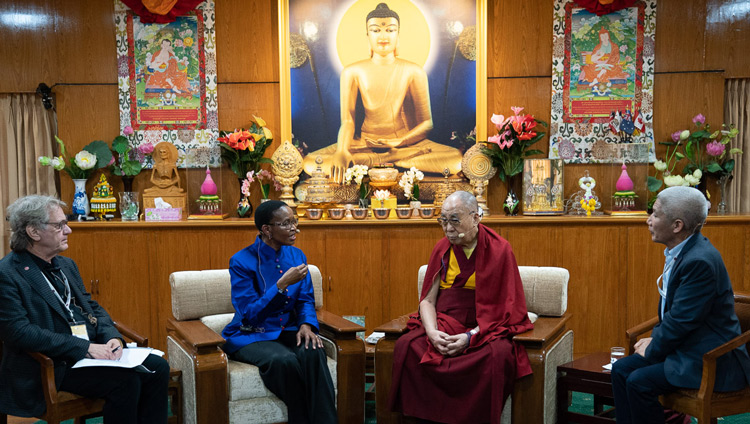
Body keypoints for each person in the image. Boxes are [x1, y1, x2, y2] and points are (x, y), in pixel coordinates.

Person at [0, 195, 169, 423]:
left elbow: (92, 307)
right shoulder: (8, 273)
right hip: (51, 364)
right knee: (125, 382)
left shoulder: (66, 265)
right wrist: (85, 347)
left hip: (89, 353)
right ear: (33, 232)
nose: (68, 230)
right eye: (59, 225)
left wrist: (112, 337)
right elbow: (18, 332)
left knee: (158, 368)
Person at [389, 191, 534, 423]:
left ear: (476, 218)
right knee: (406, 345)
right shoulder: (442, 249)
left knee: (497, 356)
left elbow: (506, 309)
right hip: (446, 319)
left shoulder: (500, 250)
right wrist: (432, 332)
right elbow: (427, 300)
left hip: (484, 325)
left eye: (455, 220)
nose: (448, 228)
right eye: (443, 221)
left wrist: (470, 336)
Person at [612, 186, 750, 424]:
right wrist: (656, 339)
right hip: (687, 346)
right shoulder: (684, 250)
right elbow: (677, 315)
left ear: (677, 226)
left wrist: (655, 344)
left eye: (655, 214)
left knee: (639, 382)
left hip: (709, 359)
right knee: (621, 370)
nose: (648, 220)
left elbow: (682, 320)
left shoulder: (700, 261)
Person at [303, 2, 463, 182]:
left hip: (405, 143)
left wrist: (398, 142)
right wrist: (341, 151)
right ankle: (391, 160)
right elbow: (348, 120)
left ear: (398, 35)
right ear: (367, 36)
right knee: (310, 162)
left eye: (390, 30)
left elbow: (426, 124)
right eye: (376, 30)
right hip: (365, 143)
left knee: (455, 159)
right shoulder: (352, 71)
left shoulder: (413, 71)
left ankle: (379, 161)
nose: (383, 36)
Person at [221, 200, 337, 424]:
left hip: (290, 328)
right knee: (284, 361)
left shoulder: (296, 255)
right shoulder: (241, 261)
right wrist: (281, 286)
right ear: (267, 229)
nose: (295, 228)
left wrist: (306, 326)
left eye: (294, 221)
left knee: (313, 351)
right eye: (286, 223)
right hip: (252, 333)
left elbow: (305, 298)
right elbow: (249, 313)